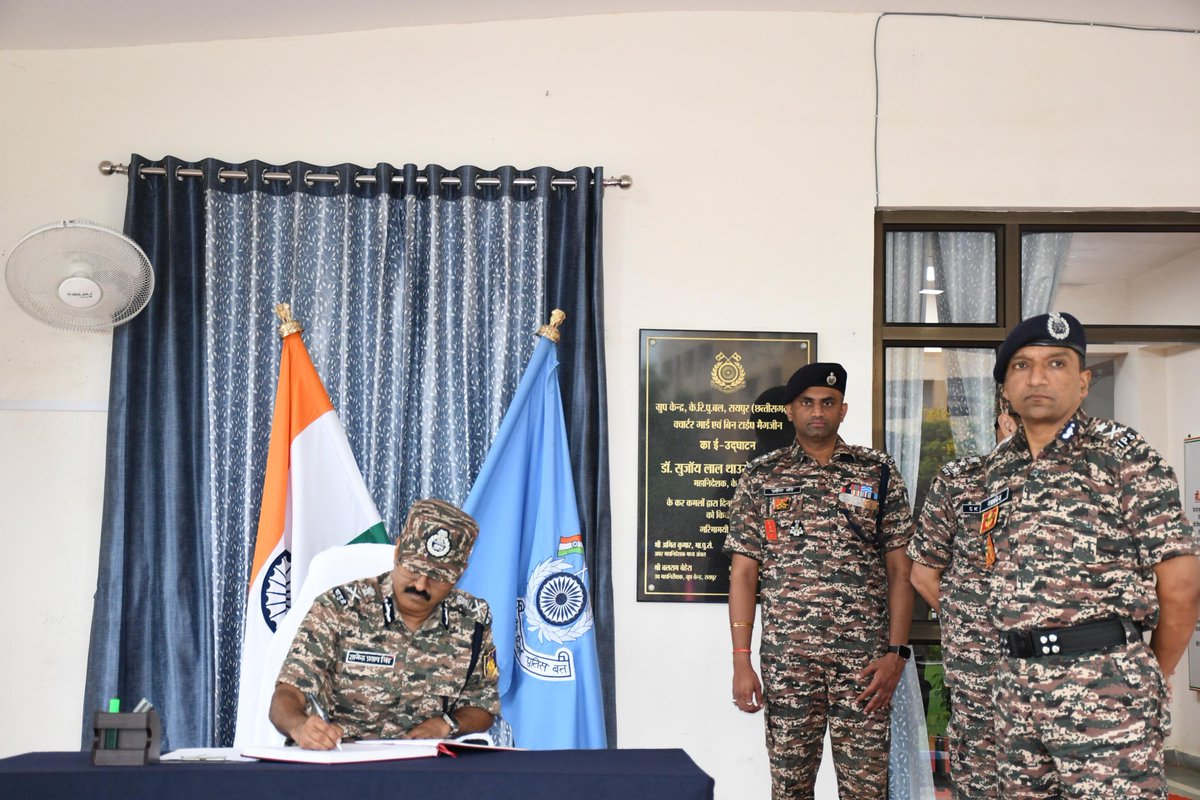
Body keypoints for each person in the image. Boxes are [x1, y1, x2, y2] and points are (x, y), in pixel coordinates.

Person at [982, 311, 1200, 798]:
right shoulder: (997, 469)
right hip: (1015, 691)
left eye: (1056, 364)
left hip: (1106, 688)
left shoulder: (1124, 456)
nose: (1037, 377)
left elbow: (1182, 586)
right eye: (1021, 365)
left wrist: (1145, 672)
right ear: (1006, 387)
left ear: (1083, 382)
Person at [724, 361, 915, 799]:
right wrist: (740, 661)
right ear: (790, 411)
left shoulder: (876, 472)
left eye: (828, 403)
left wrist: (896, 653)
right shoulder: (761, 477)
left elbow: (901, 570)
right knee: (790, 789)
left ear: (843, 410)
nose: (817, 411)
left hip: (865, 666)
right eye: (806, 402)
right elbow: (744, 573)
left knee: (866, 790)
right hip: (790, 663)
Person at [269, 498, 500, 749]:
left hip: (422, 770)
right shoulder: (339, 608)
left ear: (460, 572)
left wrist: (447, 723)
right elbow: (287, 695)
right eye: (413, 568)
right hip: (339, 761)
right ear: (398, 550)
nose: (421, 585)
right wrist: (299, 727)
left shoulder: (472, 621)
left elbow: (483, 705)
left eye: (437, 576)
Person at [908, 401, 1017, 799]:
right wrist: (971, 621)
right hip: (981, 669)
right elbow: (922, 574)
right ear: (1005, 420)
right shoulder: (963, 481)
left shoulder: (1082, 479)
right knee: (980, 780)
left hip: (1063, 672)